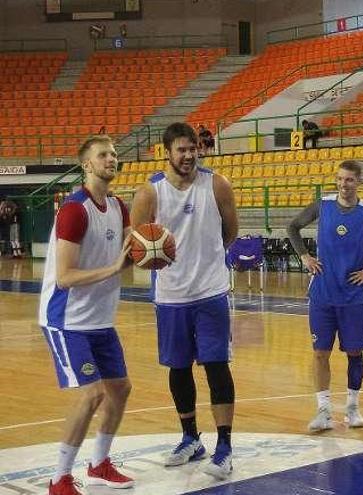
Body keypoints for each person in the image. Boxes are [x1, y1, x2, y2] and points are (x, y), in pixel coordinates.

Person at [130, 122, 239, 480]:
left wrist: (206, 257)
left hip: (210, 292)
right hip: (171, 295)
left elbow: (231, 231)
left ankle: (224, 446)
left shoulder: (217, 184)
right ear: (167, 152)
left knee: (216, 366)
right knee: (178, 369)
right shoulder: (150, 193)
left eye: (194, 148)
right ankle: (191, 438)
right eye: (182, 149)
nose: (189, 155)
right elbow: (136, 243)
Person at [39, 136, 134, 495]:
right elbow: (65, 277)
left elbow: (132, 249)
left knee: (120, 389)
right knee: (92, 394)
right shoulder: (74, 210)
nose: (111, 159)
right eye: (103, 155)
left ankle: (99, 465)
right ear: (87, 165)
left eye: (113, 153)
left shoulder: (118, 206)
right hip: (66, 319)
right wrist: (113, 268)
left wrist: (156, 248)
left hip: (100, 319)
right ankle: (59, 479)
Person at [286, 160, 363, 432]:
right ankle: (323, 411)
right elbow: (293, 227)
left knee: (354, 352)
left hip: (354, 296)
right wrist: (304, 256)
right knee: (319, 353)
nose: (343, 184)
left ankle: (352, 407)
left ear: (359, 182)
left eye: (349, 180)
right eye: (339, 179)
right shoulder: (322, 205)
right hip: (322, 294)